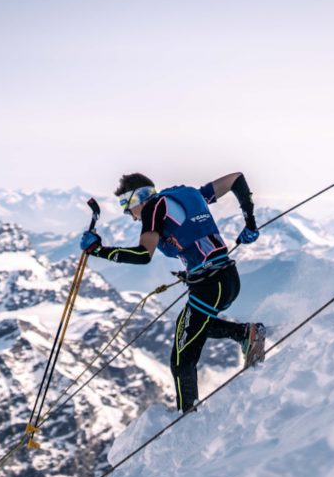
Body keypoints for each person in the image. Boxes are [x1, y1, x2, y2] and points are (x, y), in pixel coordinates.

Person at [80, 172, 266, 413]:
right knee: (192, 327)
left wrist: (98, 250)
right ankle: (246, 333)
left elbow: (142, 255)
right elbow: (235, 180)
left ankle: (187, 420)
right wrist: (250, 222)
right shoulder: (188, 194)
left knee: (181, 358)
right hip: (226, 280)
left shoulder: (152, 208)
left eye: (127, 207)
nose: (131, 216)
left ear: (137, 198)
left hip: (210, 285)